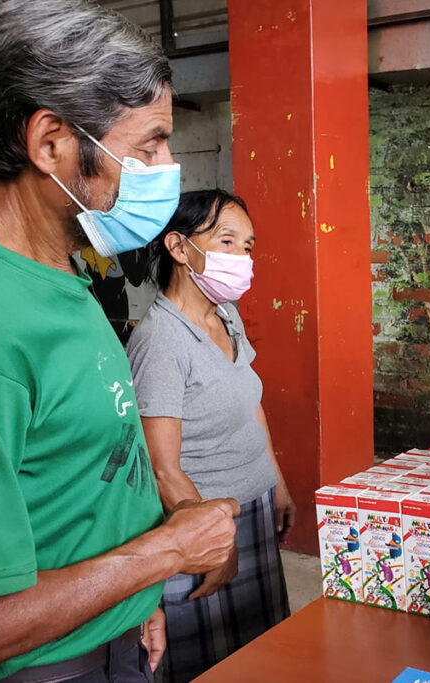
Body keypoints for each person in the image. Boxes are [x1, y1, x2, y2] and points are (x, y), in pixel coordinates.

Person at [0, 2, 240, 682]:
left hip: (112, 632)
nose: (168, 166)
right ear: (51, 143)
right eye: (149, 144)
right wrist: (163, 553)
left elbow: (74, 477)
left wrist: (130, 597)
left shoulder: (63, 271)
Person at [127, 190, 294, 683]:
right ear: (179, 248)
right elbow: (162, 468)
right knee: (213, 665)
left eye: (247, 246)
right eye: (227, 241)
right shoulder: (161, 341)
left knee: (263, 653)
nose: (242, 257)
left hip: (254, 510)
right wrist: (215, 544)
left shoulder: (225, 314)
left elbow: (249, 402)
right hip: (203, 524)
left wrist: (276, 482)